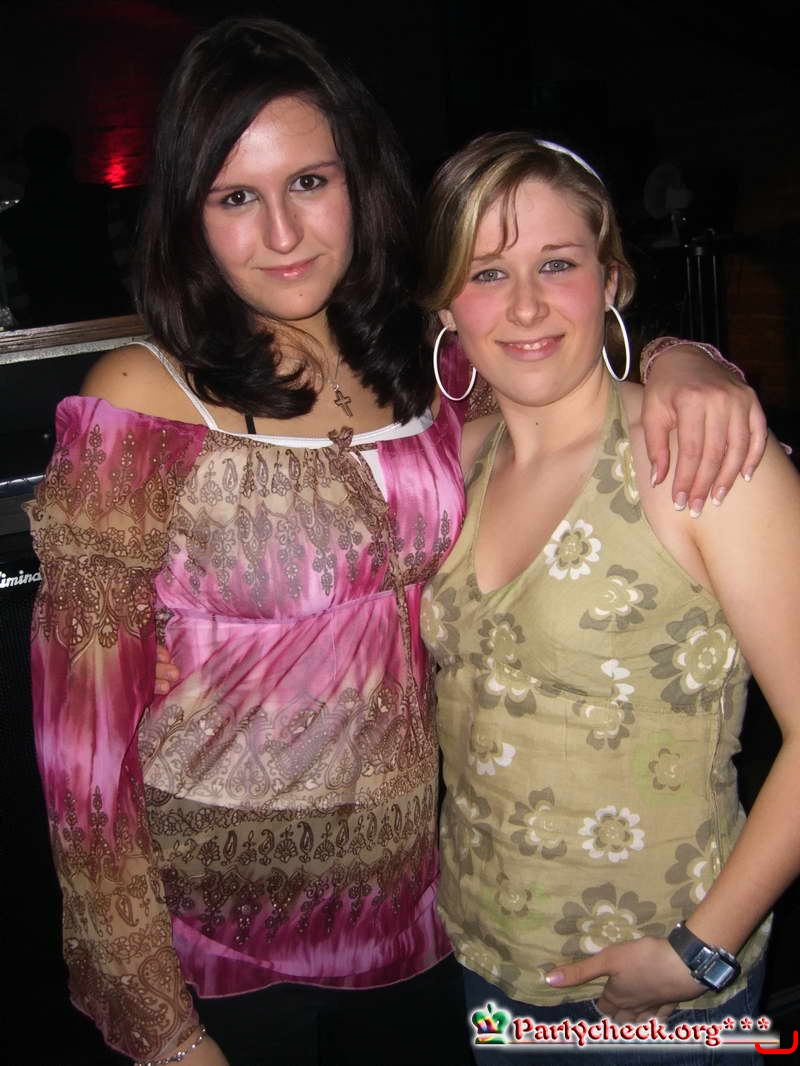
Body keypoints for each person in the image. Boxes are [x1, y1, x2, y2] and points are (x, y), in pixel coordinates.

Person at [27, 18, 767, 1066]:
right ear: (189, 218)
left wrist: (684, 358)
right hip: (225, 945)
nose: (283, 232)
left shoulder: (421, 375)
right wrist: (158, 1024)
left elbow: (548, 356)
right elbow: (79, 749)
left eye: (309, 182)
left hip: (424, 924)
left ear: (358, 184)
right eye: (235, 197)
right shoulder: (142, 396)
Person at [418, 133, 799, 1063]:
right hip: (487, 956)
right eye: (487, 274)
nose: (526, 305)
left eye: (557, 263)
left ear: (610, 278)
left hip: (660, 985)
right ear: (445, 306)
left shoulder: (702, 465)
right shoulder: (453, 463)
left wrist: (698, 950)